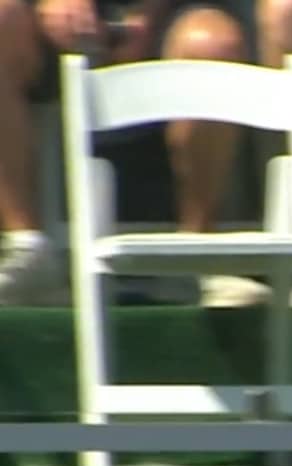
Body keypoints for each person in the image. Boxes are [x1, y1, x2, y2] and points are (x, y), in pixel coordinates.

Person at [0, 0, 257, 306]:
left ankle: (198, 255)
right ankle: (29, 248)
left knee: (214, 45)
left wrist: (147, 13)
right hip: (45, 20)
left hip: (171, 13)